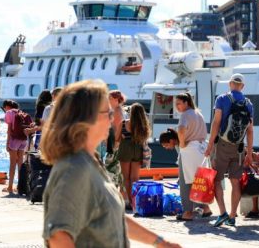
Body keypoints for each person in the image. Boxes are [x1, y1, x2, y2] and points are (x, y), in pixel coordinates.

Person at [40, 80, 181, 248]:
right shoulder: (73, 168)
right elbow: (58, 236)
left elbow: (114, 218)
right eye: (107, 113)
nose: (112, 118)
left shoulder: (91, 161)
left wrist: (161, 243)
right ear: (87, 118)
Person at [205, 73, 254, 228]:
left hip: (222, 146)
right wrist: (250, 153)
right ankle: (233, 215)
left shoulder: (222, 99)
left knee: (217, 179)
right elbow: (250, 130)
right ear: (243, 86)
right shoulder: (249, 104)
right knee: (235, 182)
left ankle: (222, 213)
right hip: (239, 148)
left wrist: (210, 144)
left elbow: (216, 122)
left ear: (230, 83)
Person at [173, 92, 209, 221]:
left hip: (190, 149)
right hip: (201, 148)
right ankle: (205, 207)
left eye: (178, 103)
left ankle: (188, 212)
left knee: (186, 181)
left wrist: (182, 144)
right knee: (200, 179)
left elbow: (181, 130)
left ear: (186, 103)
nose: (176, 106)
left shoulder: (185, 114)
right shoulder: (198, 114)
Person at [116, 103, 151, 211]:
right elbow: (145, 138)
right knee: (135, 179)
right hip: (138, 150)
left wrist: (122, 136)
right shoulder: (143, 125)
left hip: (125, 149)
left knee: (126, 178)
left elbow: (117, 139)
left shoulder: (123, 123)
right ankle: (136, 201)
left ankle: (130, 201)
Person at [0, 100, 26, 194]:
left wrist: (7, 143)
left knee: (12, 164)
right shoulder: (21, 112)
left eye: (4, 107)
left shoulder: (9, 113)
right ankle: (20, 187)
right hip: (24, 140)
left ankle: (10, 187)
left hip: (14, 140)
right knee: (20, 163)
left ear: (7, 106)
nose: (4, 109)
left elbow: (9, 130)